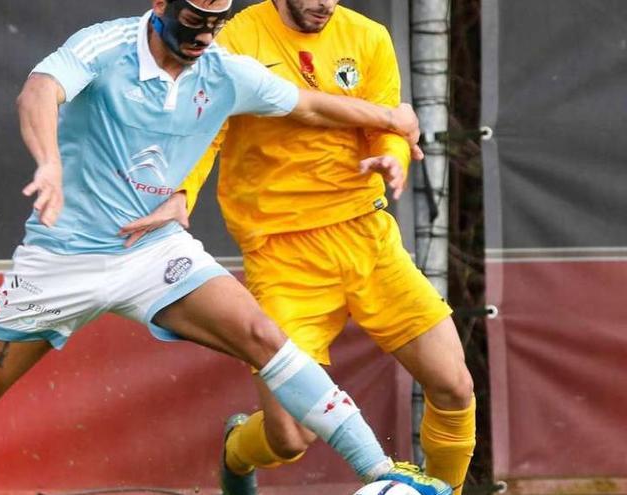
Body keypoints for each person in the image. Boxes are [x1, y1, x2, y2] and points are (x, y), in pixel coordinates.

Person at [0, 1, 451, 494]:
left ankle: (382, 474)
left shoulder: (225, 71)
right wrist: (50, 163)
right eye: (193, 19)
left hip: (154, 253)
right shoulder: (105, 45)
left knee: (263, 336)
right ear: (161, 5)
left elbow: (308, 105)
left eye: (216, 22)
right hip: (64, 259)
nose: (204, 35)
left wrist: (392, 119)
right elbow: (38, 91)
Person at [123, 1, 476, 495]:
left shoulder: (369, 37)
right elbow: (208, 129)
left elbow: (390, 124)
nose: (322, 4)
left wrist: (392, 158)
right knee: (290, 438)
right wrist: (181, 193)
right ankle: (235, 454)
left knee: (454, 386)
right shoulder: (237, 38)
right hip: (282, 254)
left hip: (368, 237)